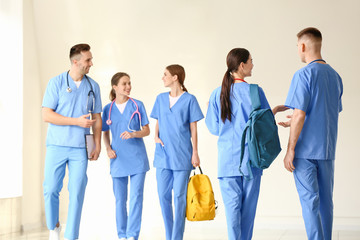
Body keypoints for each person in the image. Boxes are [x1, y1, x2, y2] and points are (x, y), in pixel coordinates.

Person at [205, 48, 287, 240]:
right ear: (242, 65)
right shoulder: (255, 92)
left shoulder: (217, 93)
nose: (252, 64)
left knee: (233, 215)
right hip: (252, 160)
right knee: (248, 214)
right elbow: (264, 125)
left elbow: (214, 129)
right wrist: (273, 111)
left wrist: (210, 109)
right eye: (251, 61)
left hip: (227, 162)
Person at [280, 27, 343, 240]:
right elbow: (324, 111)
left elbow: (300, 113)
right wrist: (297, 121)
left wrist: (290, 150)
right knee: (326, 201)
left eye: (298, 47)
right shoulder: (335, 77)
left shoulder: (303, 74)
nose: (298, 51)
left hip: (305, 151)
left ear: (303, 46)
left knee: (310, 202)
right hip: (327, 149)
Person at [42, 43, 102, 240]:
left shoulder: (93, 86)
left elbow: (97, 118)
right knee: (51, 189)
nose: (91, 63)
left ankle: (71, 236)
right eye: (88, 60)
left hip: (80, 148)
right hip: (57, 145)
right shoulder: (56, 83)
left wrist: (97, 145)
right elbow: (47, 115)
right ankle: (54, 226)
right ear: (76, 62)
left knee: (77, 191)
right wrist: (75, 121)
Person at [150, 64, 204, 240]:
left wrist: (195, 152)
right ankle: (169, 235)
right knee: (163, 196)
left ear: (175, 77)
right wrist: (156, 136)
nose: (162, 77)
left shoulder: (190, 100)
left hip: (182, 155)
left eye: (165, 74)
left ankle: (176, 237)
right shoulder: (160, 98)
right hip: (163, 154)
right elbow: (158, 120)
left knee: (179, 198)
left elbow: (193, 128)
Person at [102, 72, 150, 240]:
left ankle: (132, 235)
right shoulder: (107, 109)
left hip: (137, 159)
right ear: (115, 87)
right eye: (124, 84)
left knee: (136, 198)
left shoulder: (137, 105)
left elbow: (147, 130)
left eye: (129, 83)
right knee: (120, 200)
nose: (128, 87)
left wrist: (133, 134)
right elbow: (105, 133)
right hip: (117, 159)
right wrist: (108, 149)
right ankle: (122, 235)